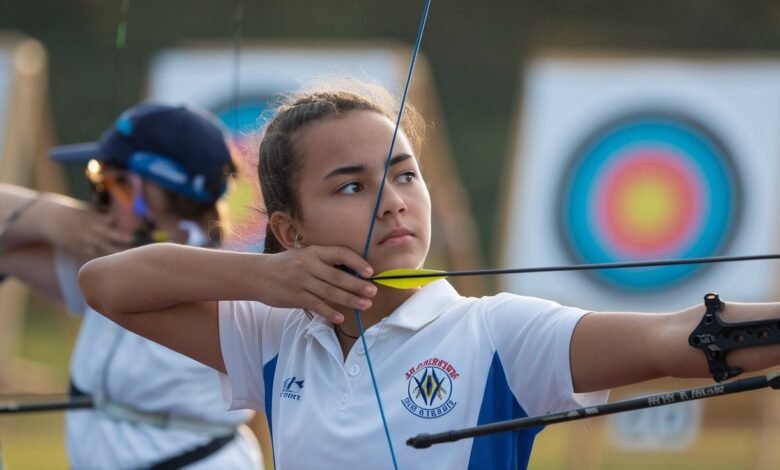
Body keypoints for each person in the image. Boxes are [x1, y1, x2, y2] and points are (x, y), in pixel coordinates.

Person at [78, 80, 780, 469]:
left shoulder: (498, 334)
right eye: (350, 187)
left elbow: (674, 334)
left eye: (404, 175)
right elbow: (106, 283)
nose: (393, 202)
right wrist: (268, 278)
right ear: (291, 230)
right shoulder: (273, 336)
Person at [0, 103, 263, 469]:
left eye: (106, 182)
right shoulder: (108, 259)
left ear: (144, 192)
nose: (98, 200)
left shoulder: (222, 289)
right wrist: (52, 216)